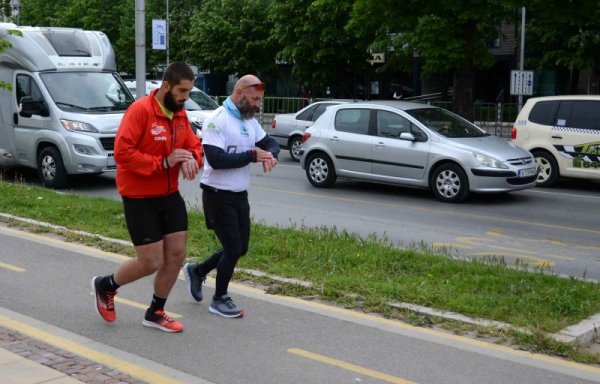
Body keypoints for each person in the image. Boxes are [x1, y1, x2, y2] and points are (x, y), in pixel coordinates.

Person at [92, 62, 202, 333]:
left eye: (188, 91)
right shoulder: (140, 110)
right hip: (140, 197)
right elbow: (122, 153)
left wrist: (192, 158)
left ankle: (155, 311)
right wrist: (163, 163)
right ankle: (106, 285)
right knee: (151, 262)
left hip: (169, 195)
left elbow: (194, 145)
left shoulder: (180, 115)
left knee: (176, 255)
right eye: (182, 91)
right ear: (166, 86)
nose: (186, 97)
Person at [183, 75, 279, 318]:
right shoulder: (217, 120)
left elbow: (270, 143)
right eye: (255, 99)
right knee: (233, 247)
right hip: (217, 195)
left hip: (238, 195)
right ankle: (219, 298)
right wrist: (252, 156)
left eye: (260, 100)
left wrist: (272, 155)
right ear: (239, 93)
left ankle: (197, 271)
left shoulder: (248, 120)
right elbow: (216, 160)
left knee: (240, 248)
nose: (258, 105)